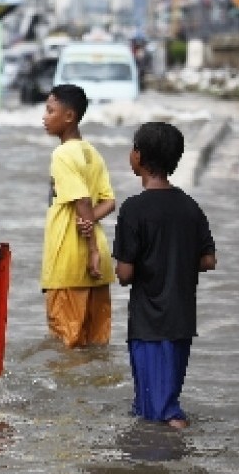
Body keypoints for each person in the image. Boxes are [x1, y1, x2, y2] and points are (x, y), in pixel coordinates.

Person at [112, 122, 216, 429]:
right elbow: (208, 260)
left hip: (148, 323)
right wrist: (176, 260)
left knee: (161, 411)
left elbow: (125, 274)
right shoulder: (190, 207)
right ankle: (166, 457)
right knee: (162, 399)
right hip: (182, 321)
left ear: (139, 157)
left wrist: (125, 265)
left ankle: (168, 457)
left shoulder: (134, 209)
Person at [40, 84, 116, 348]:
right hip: (99, 266)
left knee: (66, 349)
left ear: (69, 116)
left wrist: (91, 248)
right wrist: (90, 225)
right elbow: (108, 202)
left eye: (50, 111)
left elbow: (81, 199)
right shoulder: (91, 152)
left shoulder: (62, 154)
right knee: (96, 347)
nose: (44, 117)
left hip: (71, 261)